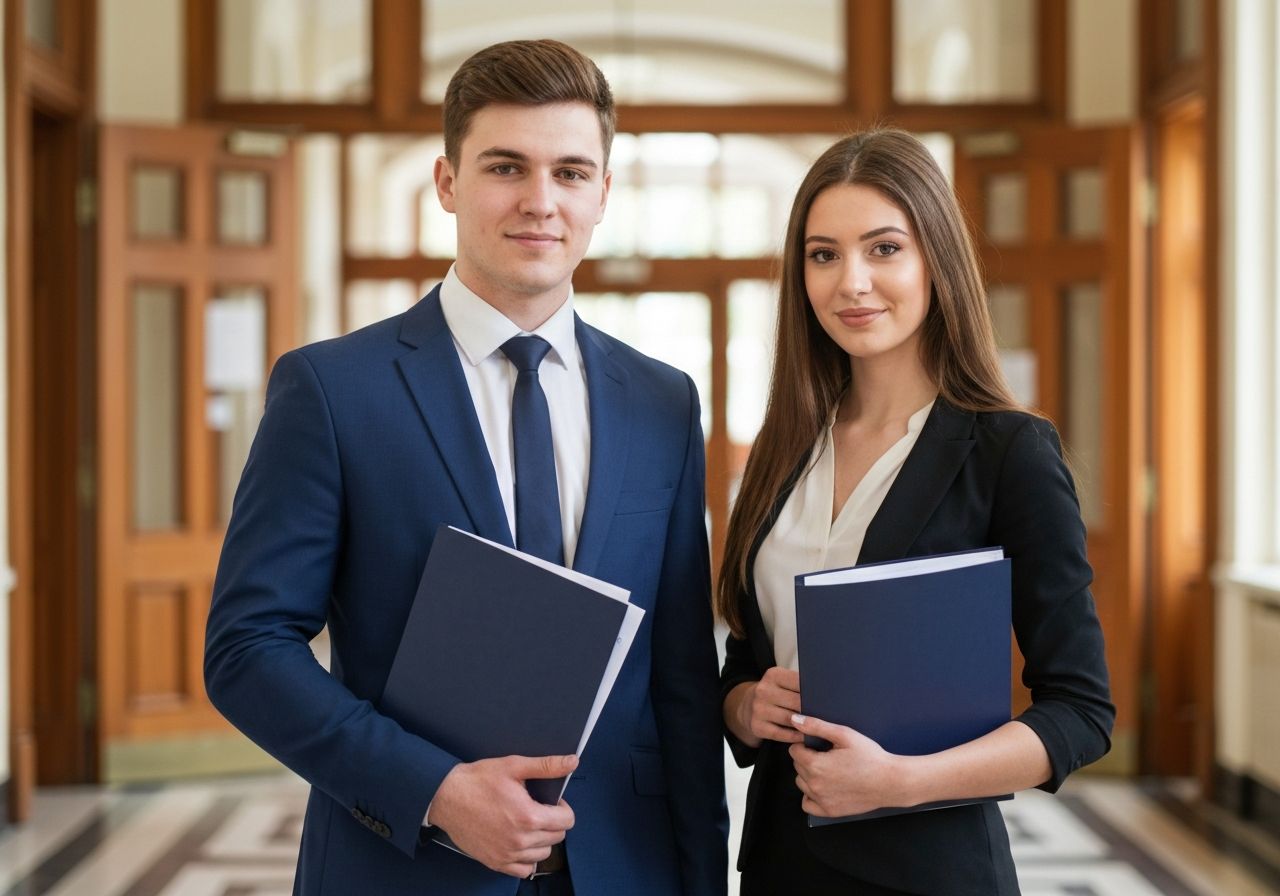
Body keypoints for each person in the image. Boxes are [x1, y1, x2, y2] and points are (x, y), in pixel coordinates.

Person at [205, 39, 728, 896]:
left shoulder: (662, 403)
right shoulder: (333, 391)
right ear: (447, 183)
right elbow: (246, 650)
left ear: (603, 192)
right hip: (400, 867)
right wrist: (436, 792)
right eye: (505, 167)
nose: (539, 202)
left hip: (622, 871)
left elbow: (679, 680)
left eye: (569, 172)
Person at [717, 128, 1115, 895]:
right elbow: (744, 662)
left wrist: (903, 782)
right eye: (823, 254)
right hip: (780, 865)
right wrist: (744, 705)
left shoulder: (1009, 452)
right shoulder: (783, 448)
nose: (851, 282)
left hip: (930, 872)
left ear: (936, 257)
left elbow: (1080, 711)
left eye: (884, 249)